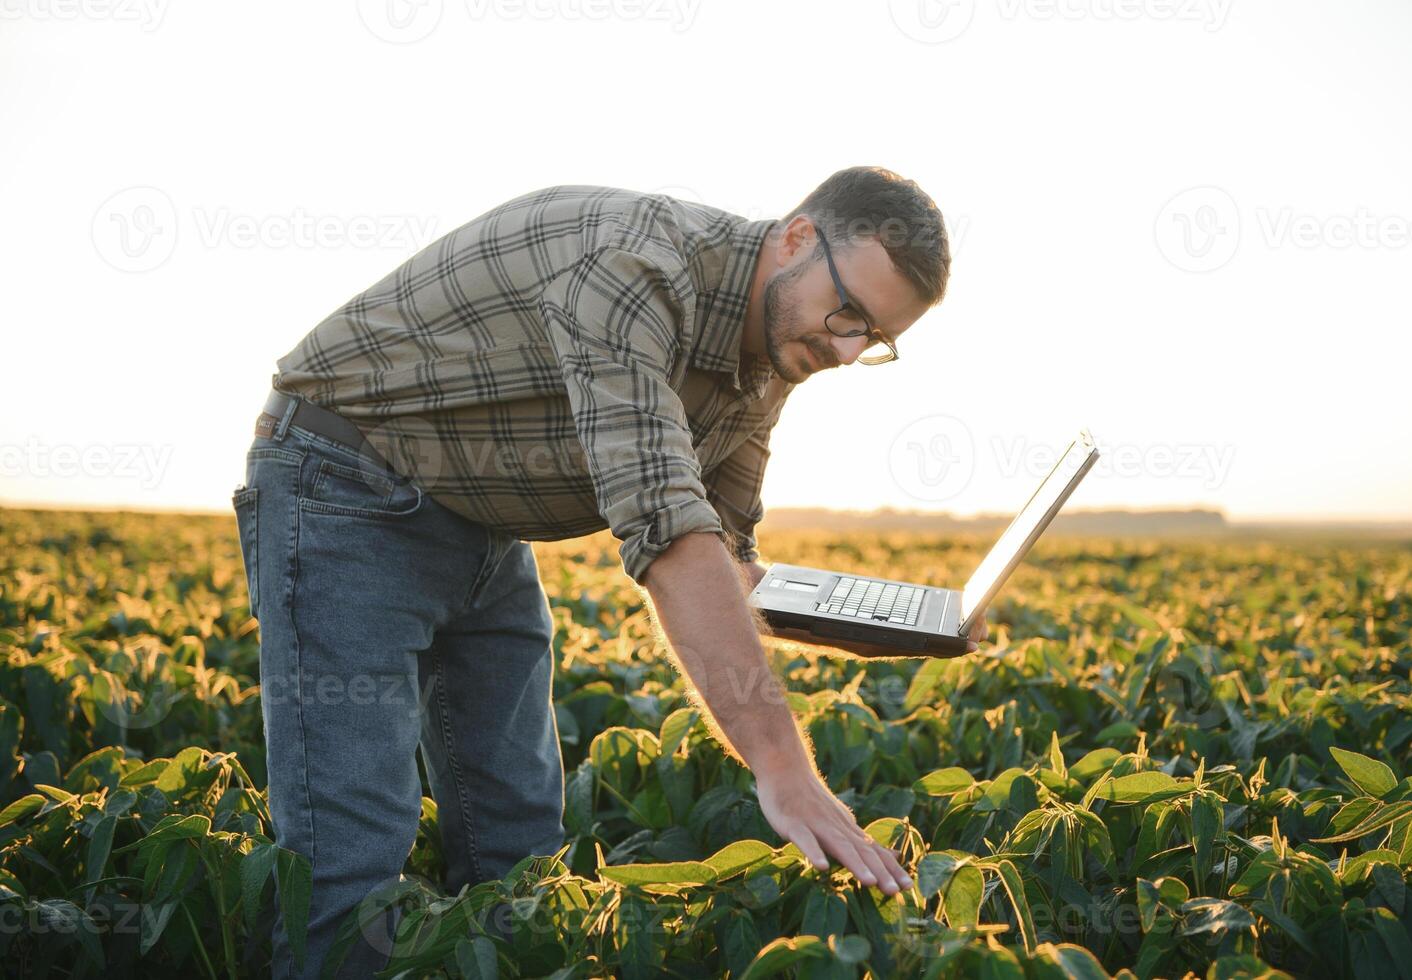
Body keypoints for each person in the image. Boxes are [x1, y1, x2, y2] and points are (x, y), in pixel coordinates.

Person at [229, 166, 984, 978]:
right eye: (846, 315)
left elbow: (725, 555)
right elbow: (669, 537)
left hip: (480, 521)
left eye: (871, 340)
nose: (843, 351)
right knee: (355, 860)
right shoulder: (632, 267)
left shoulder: (771, 353)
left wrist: (872, 624)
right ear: (796, 237)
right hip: (344, 487)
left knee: (517, 841)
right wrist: (781, 767)